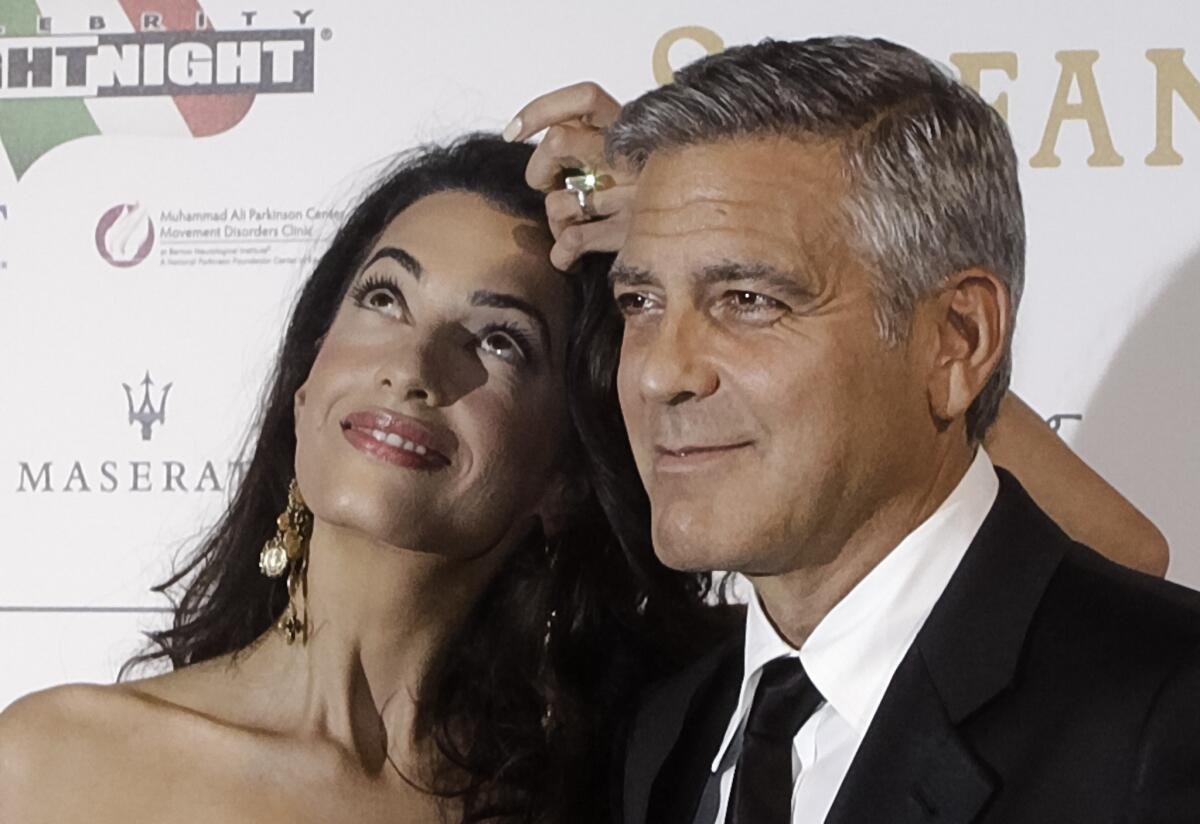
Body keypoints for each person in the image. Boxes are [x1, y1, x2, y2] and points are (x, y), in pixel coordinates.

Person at [507, 37, 1200, 823]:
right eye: (641, 303)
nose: (663, 374)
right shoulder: (669, 737)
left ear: (958, 340)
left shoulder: (1168, 723)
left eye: (747, 300)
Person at [0, 135, 729, 824]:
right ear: (307, 381)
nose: (411, 368)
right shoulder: (54, 765)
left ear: (567, 474)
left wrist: (690, 216)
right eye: (384, 299)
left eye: (499, 341)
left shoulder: (649, 778)